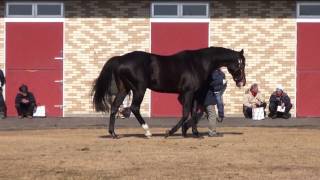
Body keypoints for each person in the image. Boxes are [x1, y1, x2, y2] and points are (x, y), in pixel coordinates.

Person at [203, 68, 227, 137]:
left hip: (207, 98)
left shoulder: (212, 72)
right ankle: (212, 132)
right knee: (212, 115)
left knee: (210, 115)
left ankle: (187, 126)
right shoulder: (210, 73)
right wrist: (222, 81)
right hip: (208, 98)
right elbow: (212, 82)